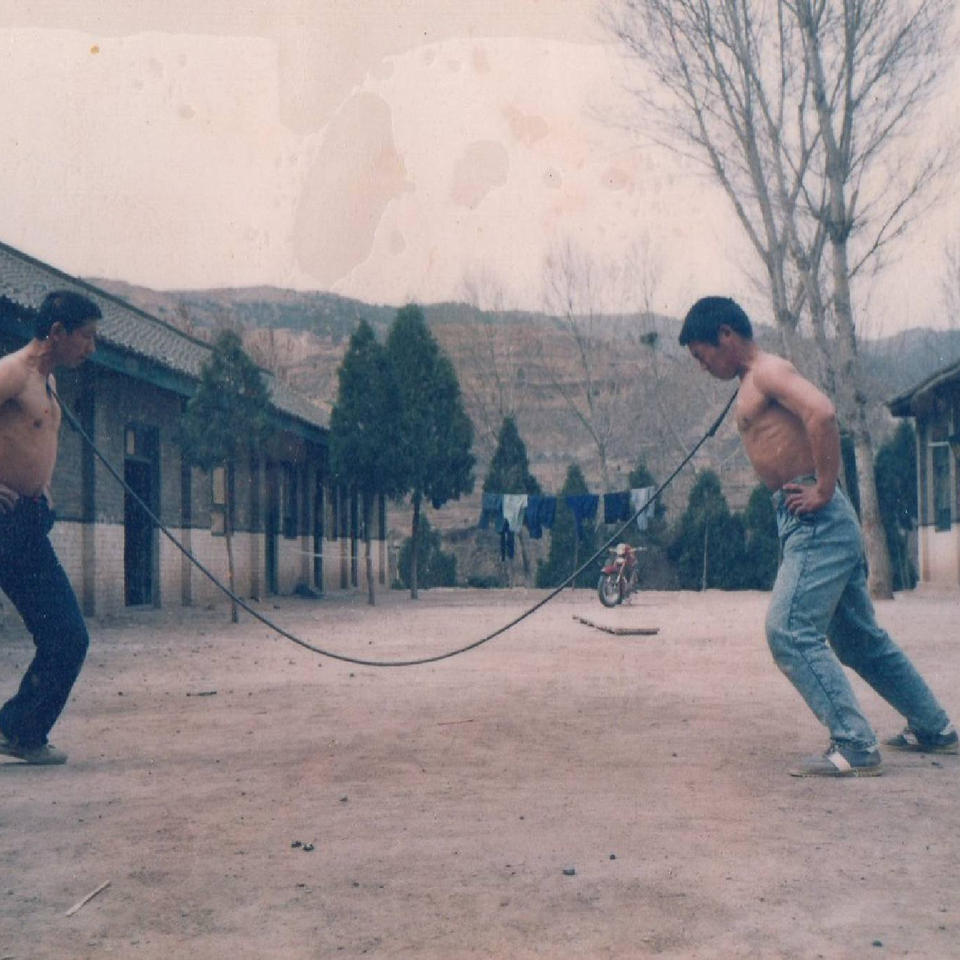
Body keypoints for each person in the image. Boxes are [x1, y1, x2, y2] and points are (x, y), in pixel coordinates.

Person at [679, 295, 957, 777]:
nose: (704, 367)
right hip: (812, 518)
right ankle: (935, 728)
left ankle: (854, 744)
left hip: (816, 517)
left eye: (703, 355)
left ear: (725, 335)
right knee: (858, 641)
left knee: (787, 630)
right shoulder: (752, 379)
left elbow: (823, 413)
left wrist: (824, 490)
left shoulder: (766, 371)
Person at [0, 290, 100, 765]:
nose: (91, 348)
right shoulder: (13, 373)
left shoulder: (49, 384)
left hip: (26, 523)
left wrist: (41, 485)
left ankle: (21, 731)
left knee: (67, 635)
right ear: (57, 333)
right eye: (87, 336)